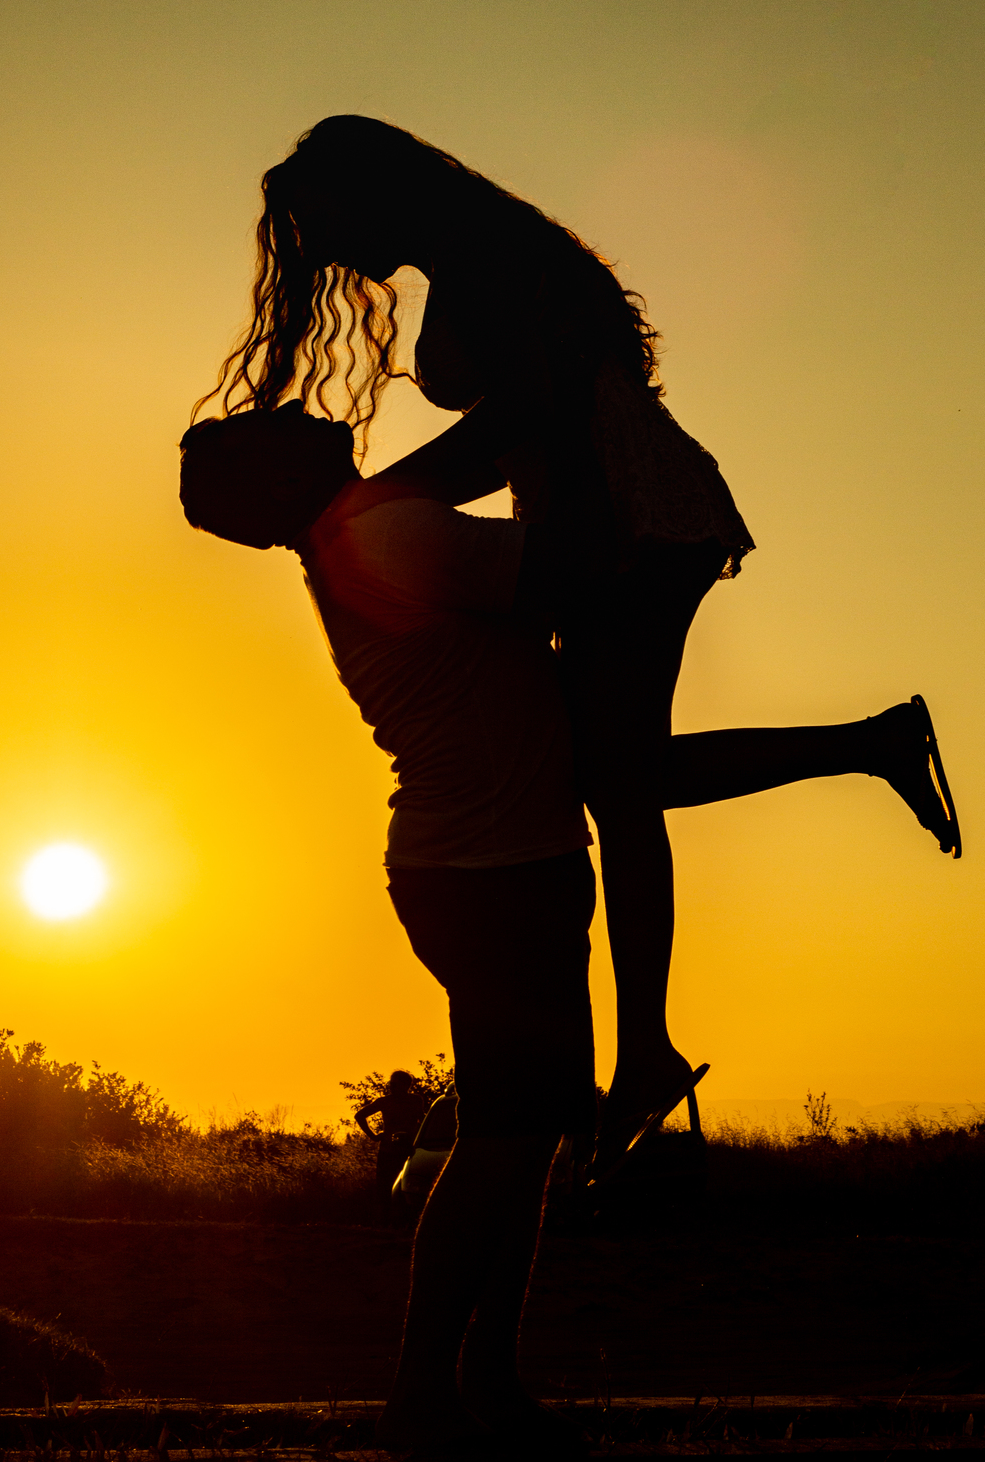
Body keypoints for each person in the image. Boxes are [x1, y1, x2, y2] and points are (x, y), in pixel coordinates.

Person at [178, 401, 957, 1454]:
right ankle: (426, 1392)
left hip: (498, 869)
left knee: (528, 1138)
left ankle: (485, 1378)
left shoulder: (363, 532)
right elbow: (580, 567)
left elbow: (601, 729)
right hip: (494, 880)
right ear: (274, 488)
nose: (301, 410)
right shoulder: (387, 533)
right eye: (270, 430)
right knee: (504, 1146)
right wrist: (556, 425)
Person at [197, 116, 962, 1170]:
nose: (323, 254)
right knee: (617, 767)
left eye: (324, 223)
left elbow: (529, 421)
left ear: (369, 189)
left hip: (623, 504)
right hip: (594, 500)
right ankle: (868, 748)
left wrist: (383, 496)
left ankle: (647, 1044)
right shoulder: (472, 256)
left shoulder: (481, 257)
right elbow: (519, 432)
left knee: (619, 778)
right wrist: (384, 501)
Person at [356, 1070, 429, 1223]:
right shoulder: (385, 1101)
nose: (391, 1086)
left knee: (406, 1186)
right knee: (384, 1187)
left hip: (408, 1150)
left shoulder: (415, 1100)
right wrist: (373, 1136)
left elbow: (421, 1118)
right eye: (391, 1083)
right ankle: (385, 1222)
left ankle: (403, 1221)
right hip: (389, 1150)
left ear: (405, 1085)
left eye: (394, 1084)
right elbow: (360, 1115)